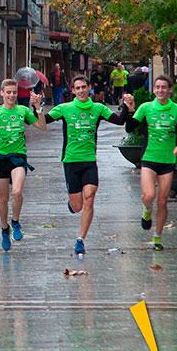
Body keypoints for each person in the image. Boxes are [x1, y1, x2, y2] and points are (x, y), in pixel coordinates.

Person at [46, 76, 132, 255]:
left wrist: (126, 106)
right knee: (77, 206)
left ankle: (80, 239)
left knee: (90, 196)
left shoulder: (98, 108)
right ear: (73, 91)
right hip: (70, 161)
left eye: (84, 87)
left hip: (89, 161)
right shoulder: (64, 108)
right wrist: (36, 107)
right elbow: (43, 121)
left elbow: (119, 121)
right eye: (77, 88)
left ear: (89, 88)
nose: (81, 91)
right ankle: (72, 204)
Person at [0, 79, 47, 251]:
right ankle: (4, 228)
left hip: (18, 158)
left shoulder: (23, 110)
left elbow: (42, 126)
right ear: (2, 93)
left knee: (17, 191)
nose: (11, 95)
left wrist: (38, 108)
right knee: (3, 198)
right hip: (0, 158)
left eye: (14, 92)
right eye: (8, 92)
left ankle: (15, 221)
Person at [124, 75, 177, 251]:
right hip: (149, 158)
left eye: (164, 87)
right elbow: (130, 128)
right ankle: (146, 211)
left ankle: (157, 237)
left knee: (162, 201)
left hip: (168, 161)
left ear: (169, 90)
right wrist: (130, 110)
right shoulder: (146, 108)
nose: (160, 90)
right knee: (149, 195)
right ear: (153, 90)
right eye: (158, 87)